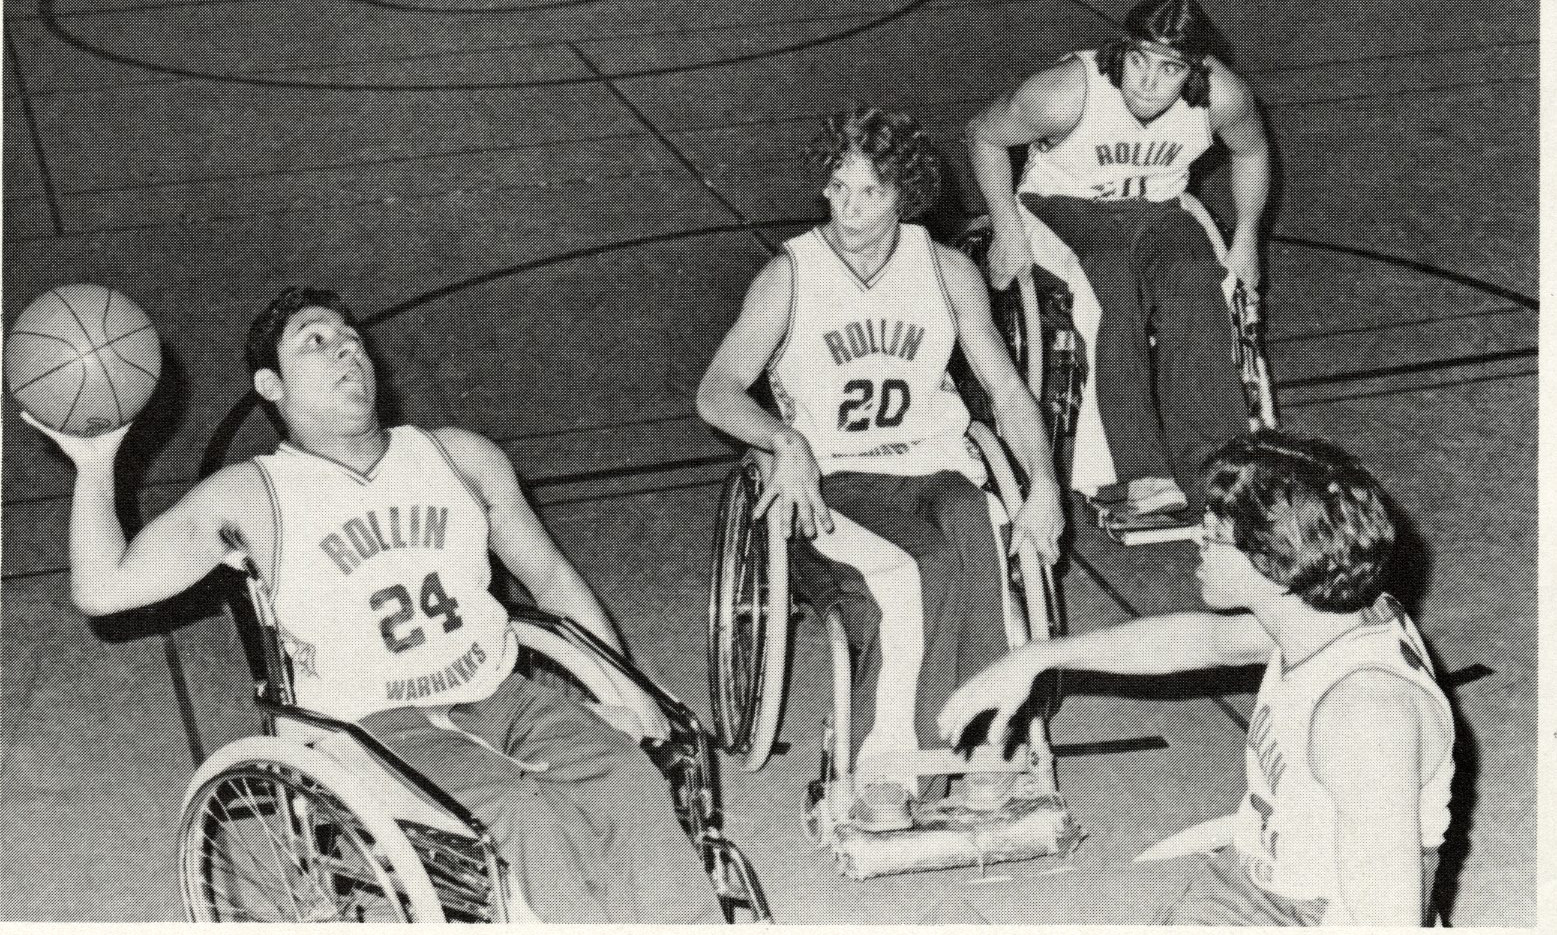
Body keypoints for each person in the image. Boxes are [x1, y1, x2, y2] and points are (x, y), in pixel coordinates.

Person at [23, 286, 723, 924]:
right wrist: (93, 468)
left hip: (500, 693)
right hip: (375, 728)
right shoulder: (253, 495)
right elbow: (103, 588)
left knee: (625, 774)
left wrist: (623, 683)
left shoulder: (460, 457)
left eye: (349, 335)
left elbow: (550, 577)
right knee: (524, 808)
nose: (345, 347)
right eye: (314, 342)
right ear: (271, 385)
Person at [697, 106, 1066, 823]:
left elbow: (1008, 393)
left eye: (869, 193)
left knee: (978, 534)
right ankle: (886, 771)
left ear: (906, 195)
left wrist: (1043, 487)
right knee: (915, 570)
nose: (849, 209)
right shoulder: (791, 274)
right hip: (834, 479)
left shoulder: (946, 271)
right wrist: (783, 441)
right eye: (837, 189)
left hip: (933, 467)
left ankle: (986, 744)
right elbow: (716, 390)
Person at [938, 430, 1453, 926]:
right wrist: (1034, 658)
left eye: (1214, 533)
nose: (1193, 538)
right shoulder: (1323, 618)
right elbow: (1204, 640)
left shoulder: (1364, 715)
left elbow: (1385, 921)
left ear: (1274, 558)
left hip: (1313, 911)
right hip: (1260, 877)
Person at [966, 0, 1272, 517]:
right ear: (1121, 51)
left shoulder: (1222, 97)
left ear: (1193, 71)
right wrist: (1006, 224)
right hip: (1062, 206)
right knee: (1109, 296)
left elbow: (1251, 150)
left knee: (1198, 284)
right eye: (1138, 60)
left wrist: (1245, 237)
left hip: (1157, 209)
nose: (1148, 83)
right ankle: (1137, 473)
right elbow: (984, 134)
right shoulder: (1066, 93)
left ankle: (1215, 471)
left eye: (1169, 68)